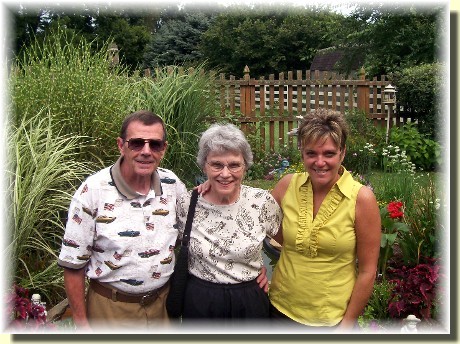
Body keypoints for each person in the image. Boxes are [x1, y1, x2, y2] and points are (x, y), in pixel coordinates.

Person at [57, 110, 268, 331]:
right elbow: (73, 264)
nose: (146, 151)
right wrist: (82, 324)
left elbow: (200, 220)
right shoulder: (92, 191)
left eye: (155, 144)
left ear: (164, 149)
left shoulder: (171, 185)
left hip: (163, 306)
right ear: (121, 145)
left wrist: (250, 266)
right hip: (112, 307)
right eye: (137, 143)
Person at [268, 108, 381, 331]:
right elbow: (253, 223)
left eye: (329, 153)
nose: (320, 162)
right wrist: (212, 187)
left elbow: (368, 271)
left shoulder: (361, 199)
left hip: (332, 320)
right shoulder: (287, 186)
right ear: (302, 154)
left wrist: (347, 325)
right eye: (312, 153)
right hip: (279, 311)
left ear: (343, 153)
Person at [176, 123, 282, 321]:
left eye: (234, 165)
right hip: (200, 300)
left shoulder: (261, 202)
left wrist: (270, 272)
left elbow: (288, 243)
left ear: (245, 166)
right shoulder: (186, 203)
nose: (225, 174)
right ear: (204, 165)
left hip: (249, 299)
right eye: (216, 165)